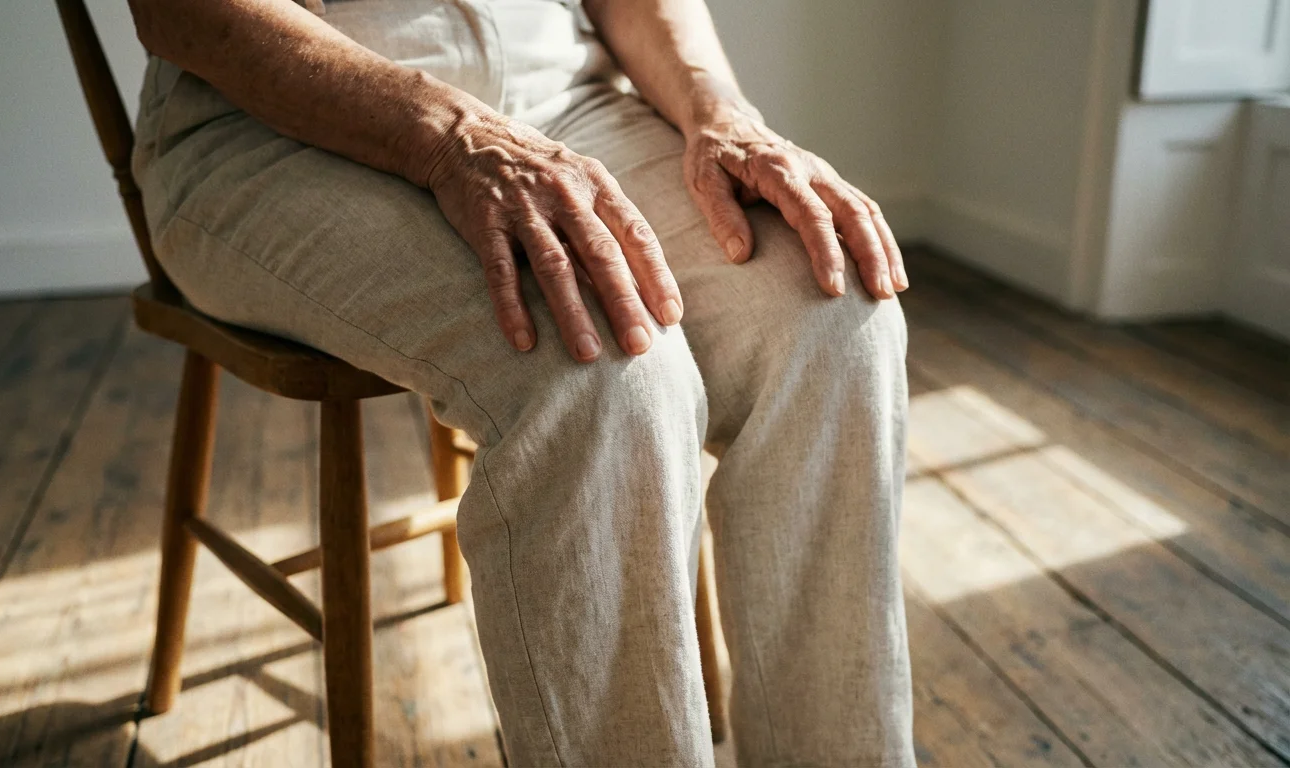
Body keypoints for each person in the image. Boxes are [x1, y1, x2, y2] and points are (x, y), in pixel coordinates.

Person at [127, 0, 914, 764]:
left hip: (559, 102)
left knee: (831, 308)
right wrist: (451, 136)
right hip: (274, 123)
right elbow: (188, 11)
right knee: (598, 369)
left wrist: (721, 108)